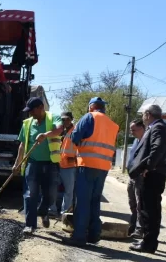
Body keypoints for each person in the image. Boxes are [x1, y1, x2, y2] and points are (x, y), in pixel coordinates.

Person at [46, 97, 118, 246]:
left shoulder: (89, 117)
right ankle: (94, 234)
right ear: (103, 107)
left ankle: (79, 236)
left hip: (87, 164)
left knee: (82, 201)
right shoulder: (111, 124)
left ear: (91, 106)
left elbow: (75, 136)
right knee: (94, 201)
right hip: (103, 167)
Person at [13, 97, 62, 235]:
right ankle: (30, 225)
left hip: (51, 164)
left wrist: (46, 135)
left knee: (51, 195)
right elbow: (22, 145)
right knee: (30, 194)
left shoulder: (53, 118)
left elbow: (59, 130)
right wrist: (17, 163)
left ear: (41, 107)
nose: (30, 114)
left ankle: (43, 210)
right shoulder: (27, 123)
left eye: (32, 110)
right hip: (33, 163)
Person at [128, 104, 166, 253]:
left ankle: (149, 243)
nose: (142, 118)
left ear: (147, 114)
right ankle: (148, 241)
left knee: (149, 209)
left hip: (153, 174)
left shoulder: (158, 127)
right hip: (153, 173)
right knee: (148, 208)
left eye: (143, 115)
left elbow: (157, 149)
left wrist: (148, 167)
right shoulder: (157, 126)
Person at [126, 119, 146, 238]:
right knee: (132, 202)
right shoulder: (135, 141)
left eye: (133, 130)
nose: (131, 132)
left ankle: (140, 230)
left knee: (140, 204)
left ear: (142, 128)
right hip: (132, 176)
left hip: (140, 177)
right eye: (131, 130)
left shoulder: (146, 141)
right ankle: (133, 226)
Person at [57, 112, 78, 214]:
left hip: (70, 166)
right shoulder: (61, 131)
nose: (65, 121)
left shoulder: (75, 131)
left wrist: (74, 159)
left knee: (69, 192)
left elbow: (80, 147)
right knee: (54, 189)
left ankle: (65, 212)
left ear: (71, 119)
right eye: (63, 119)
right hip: (59, 164)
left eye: (67, 119)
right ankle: (52, 210)